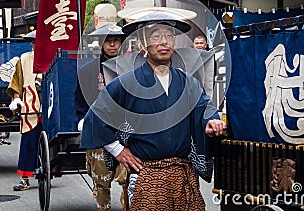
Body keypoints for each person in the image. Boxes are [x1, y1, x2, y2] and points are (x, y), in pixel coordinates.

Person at [80, 12, 227, 210]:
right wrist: (118, 151)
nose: (164, 42)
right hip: (146, 175)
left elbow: (204, 107)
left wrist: (210, 122)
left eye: (169, 36)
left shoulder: (187, 82)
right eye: (156, 36)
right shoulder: (126, 82)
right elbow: (95, 118)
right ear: (143, 43)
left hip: (182, 174)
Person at [75, 23, 127, 211]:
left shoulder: (131, 69)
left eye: (116, 41)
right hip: (98, 128)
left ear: (121, 43)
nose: (112, 45)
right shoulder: (88, 71)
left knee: (128, 178)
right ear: (102, 44)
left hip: (124, 130)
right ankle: (103, 207)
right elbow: (81, 99)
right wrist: (83, 119)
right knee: (101, 179)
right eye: (109, 41)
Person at [7, 30, 42, 191]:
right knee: (28, 143)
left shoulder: (54, 56)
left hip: (50, 106)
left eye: (38, 43)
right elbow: (17, 82)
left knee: (53, 142)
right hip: (30, 106)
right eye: (34, 43)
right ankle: (25, 179)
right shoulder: (24, 59)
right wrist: (16, 98)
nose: (36, 46)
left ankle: (49, 171)